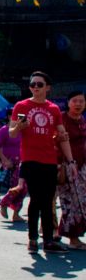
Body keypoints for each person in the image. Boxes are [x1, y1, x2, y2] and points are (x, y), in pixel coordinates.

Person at [11, 71, 74, 253]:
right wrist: (19, 127)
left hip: (49, 159)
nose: (35, 88)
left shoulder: (53, 109)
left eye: (39, 84)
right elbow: (11, 133)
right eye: (33, 85)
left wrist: (70, 160)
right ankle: (32, 238)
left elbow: (62, 136)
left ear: (48, 88)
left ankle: (48, 240)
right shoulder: (21, 105)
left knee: (47, 201)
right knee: (37, 199)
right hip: (30, 159)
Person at [57, 92, 86, 249]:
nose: (78, 104)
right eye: (75, 101)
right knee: (71, 203)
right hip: (65, 166)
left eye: (81, 101)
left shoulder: (82, 120)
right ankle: (73, 238)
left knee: (82, 202)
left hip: (82, 166)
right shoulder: (61, 119)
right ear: (68, 102)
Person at [0, 119, 26, 222]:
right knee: (18, 187)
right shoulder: (4, 130)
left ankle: (16, 213)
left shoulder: (24, 130)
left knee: (23, 189)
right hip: (11, 163)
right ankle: (4, 203)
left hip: (24, 161)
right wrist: (4, 160)